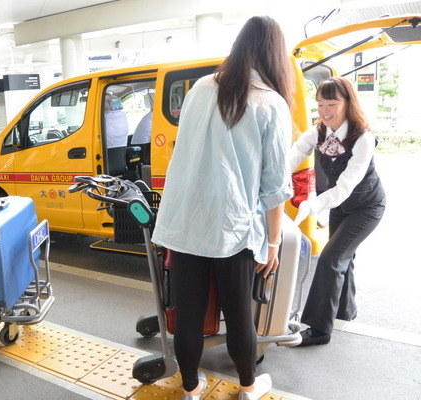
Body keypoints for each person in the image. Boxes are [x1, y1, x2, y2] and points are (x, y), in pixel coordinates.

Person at [151, 16, 293, 400]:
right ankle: (248, 387)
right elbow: (275, 187)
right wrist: (274, 243)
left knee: (190, 313)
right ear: (274, 54)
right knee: (240, 315)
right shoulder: (271, 103)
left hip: (184, 219)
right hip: (233, 226)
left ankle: (191, 389)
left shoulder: (200, 88)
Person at [289, 76, 385, 346]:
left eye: (331, 103)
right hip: (341, 207)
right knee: (345, 257)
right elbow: (292, 157)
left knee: (331, 257)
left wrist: (311, 206)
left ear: (348, 103)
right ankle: (345, 312)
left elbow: (345, 187)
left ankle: (319, 329)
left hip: (367, 206)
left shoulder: (362, 137)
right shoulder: (317, 131)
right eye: (320, 104)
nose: (324, 111)